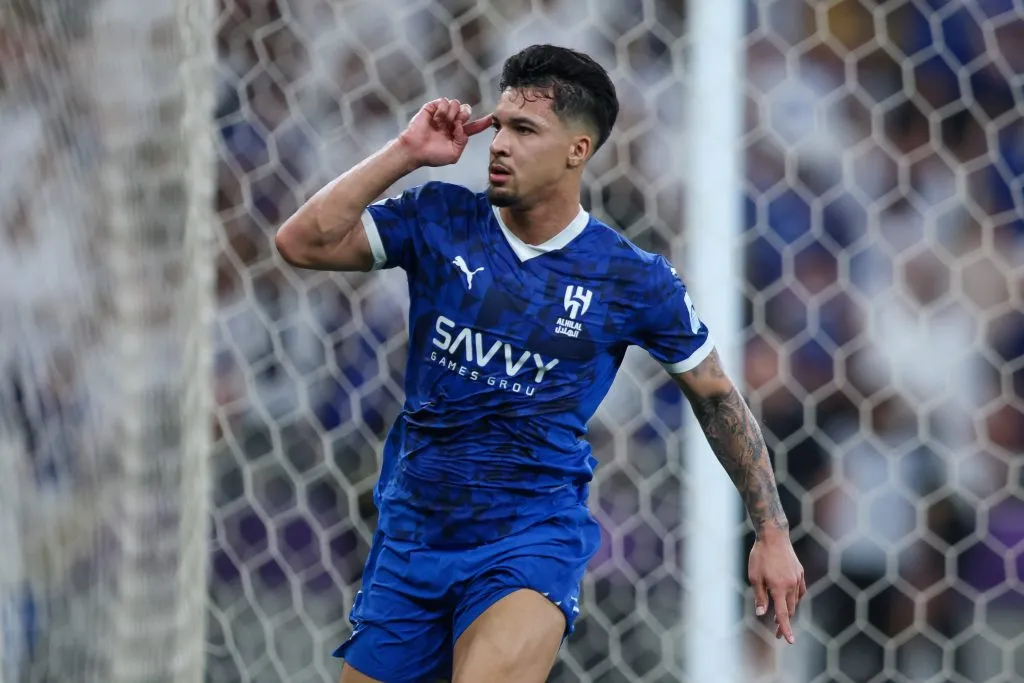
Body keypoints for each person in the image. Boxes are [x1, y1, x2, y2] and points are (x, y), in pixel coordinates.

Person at [276, 43, 805, 683]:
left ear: (577, 150)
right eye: (498, 126)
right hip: (412, 537)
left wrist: (772, 532)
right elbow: (301, 242)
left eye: (524, 130)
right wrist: (406, 153)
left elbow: (717, 395)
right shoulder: (441, 218)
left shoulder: (631, 278)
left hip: (528, 539)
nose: (499, 144)